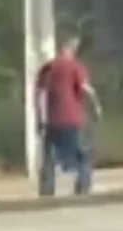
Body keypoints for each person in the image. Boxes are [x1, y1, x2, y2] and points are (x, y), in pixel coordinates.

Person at [35, 36, 102, 197]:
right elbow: (86, 89)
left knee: (49, 157)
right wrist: (97, 107)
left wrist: (39, 119)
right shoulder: (76, 67)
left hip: (51, 121)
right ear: (72, 49)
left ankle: (47, 189)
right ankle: (83, 187)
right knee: (81, 155)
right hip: (71, 119)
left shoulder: (47, 68)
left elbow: (39, 95)